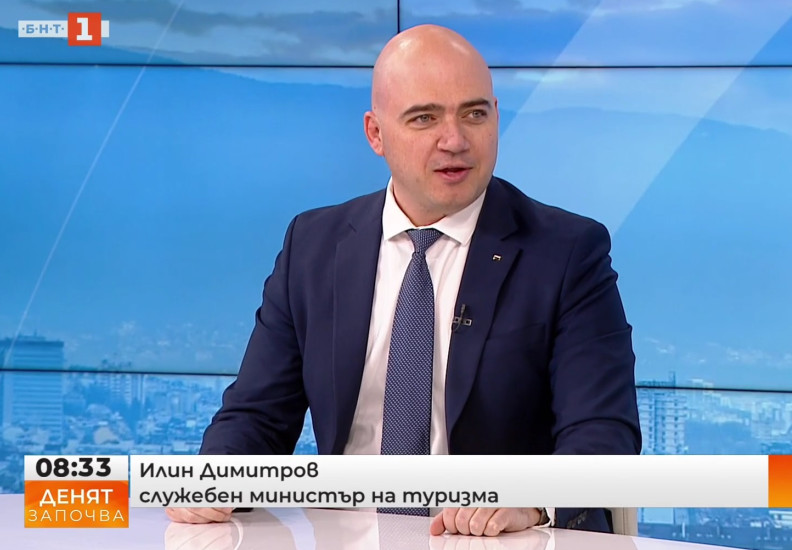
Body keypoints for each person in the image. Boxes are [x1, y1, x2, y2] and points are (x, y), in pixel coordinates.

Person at [166, 24, 640, 536]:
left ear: (496, 117)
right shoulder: (314, 245)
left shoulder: (566, 251)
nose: (455, 141)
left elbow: (602, 431)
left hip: (494, 542)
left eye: (474, 114)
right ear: (376, 134)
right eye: (424, 118)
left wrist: (532, 501)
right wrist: (214, 482)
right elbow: (257, 417)